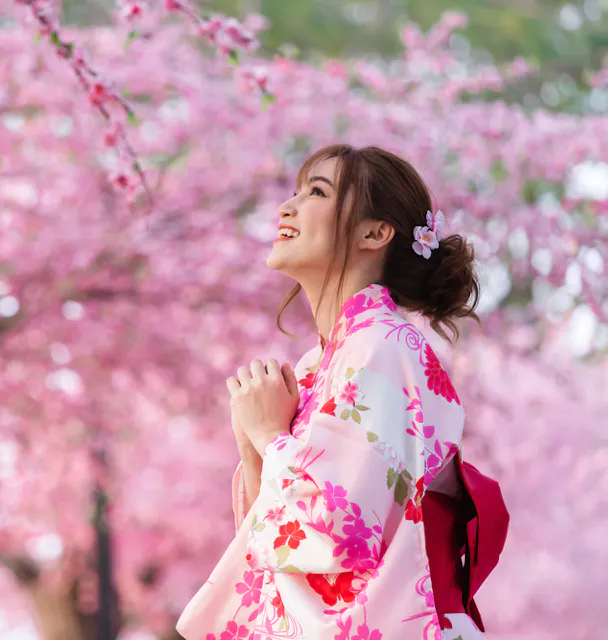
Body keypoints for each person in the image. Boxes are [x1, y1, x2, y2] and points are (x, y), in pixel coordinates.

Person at [176, 144, 508, 640]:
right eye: (295, 191)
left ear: (374, 233)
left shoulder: (382, 346)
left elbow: (340, 533)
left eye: (316, 192)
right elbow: (275, 542)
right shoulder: (324, 361)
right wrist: (254, 446)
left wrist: (271, 435)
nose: (287, 206)